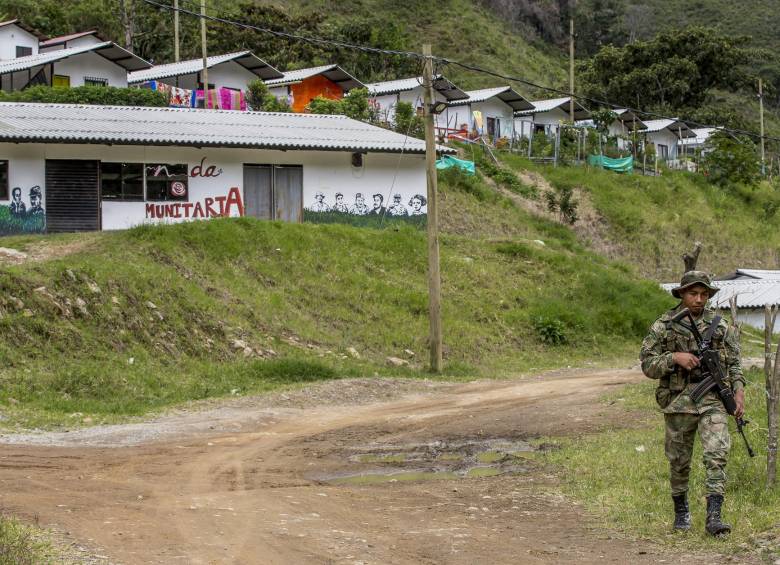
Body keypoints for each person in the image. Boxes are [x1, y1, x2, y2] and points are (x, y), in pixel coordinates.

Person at [640, 271, 745, 536]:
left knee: (717, 452)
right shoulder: (664, 325)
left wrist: (739, 392)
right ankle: (681, 512)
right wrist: (674, 357)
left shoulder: (721, 326)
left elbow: (734, 364)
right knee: (678, 460)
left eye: (703, 295)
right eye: (693, 294)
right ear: (682, 294)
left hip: (713, 400)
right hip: (677, 401)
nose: (699, 299)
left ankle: (714, 517)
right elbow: (647, 365)